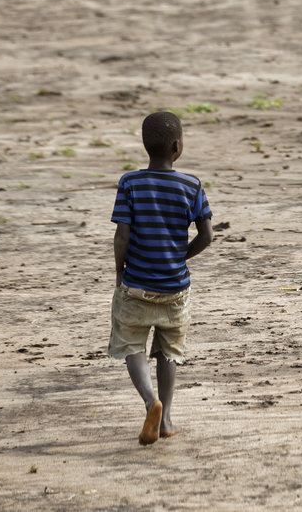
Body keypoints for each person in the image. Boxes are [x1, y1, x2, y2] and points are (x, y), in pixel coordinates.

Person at [109, 111, 213, 445]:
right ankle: (166, 419)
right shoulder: (191, 185)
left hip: (136, 284)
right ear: (177, 146)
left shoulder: (130, 183)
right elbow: (207, 236)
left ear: (145, 146)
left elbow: (122, 235)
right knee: (169, 351)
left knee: (131, 345)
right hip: (175, 287)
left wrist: (119, 271)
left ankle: (149, 401)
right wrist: (180, 256)